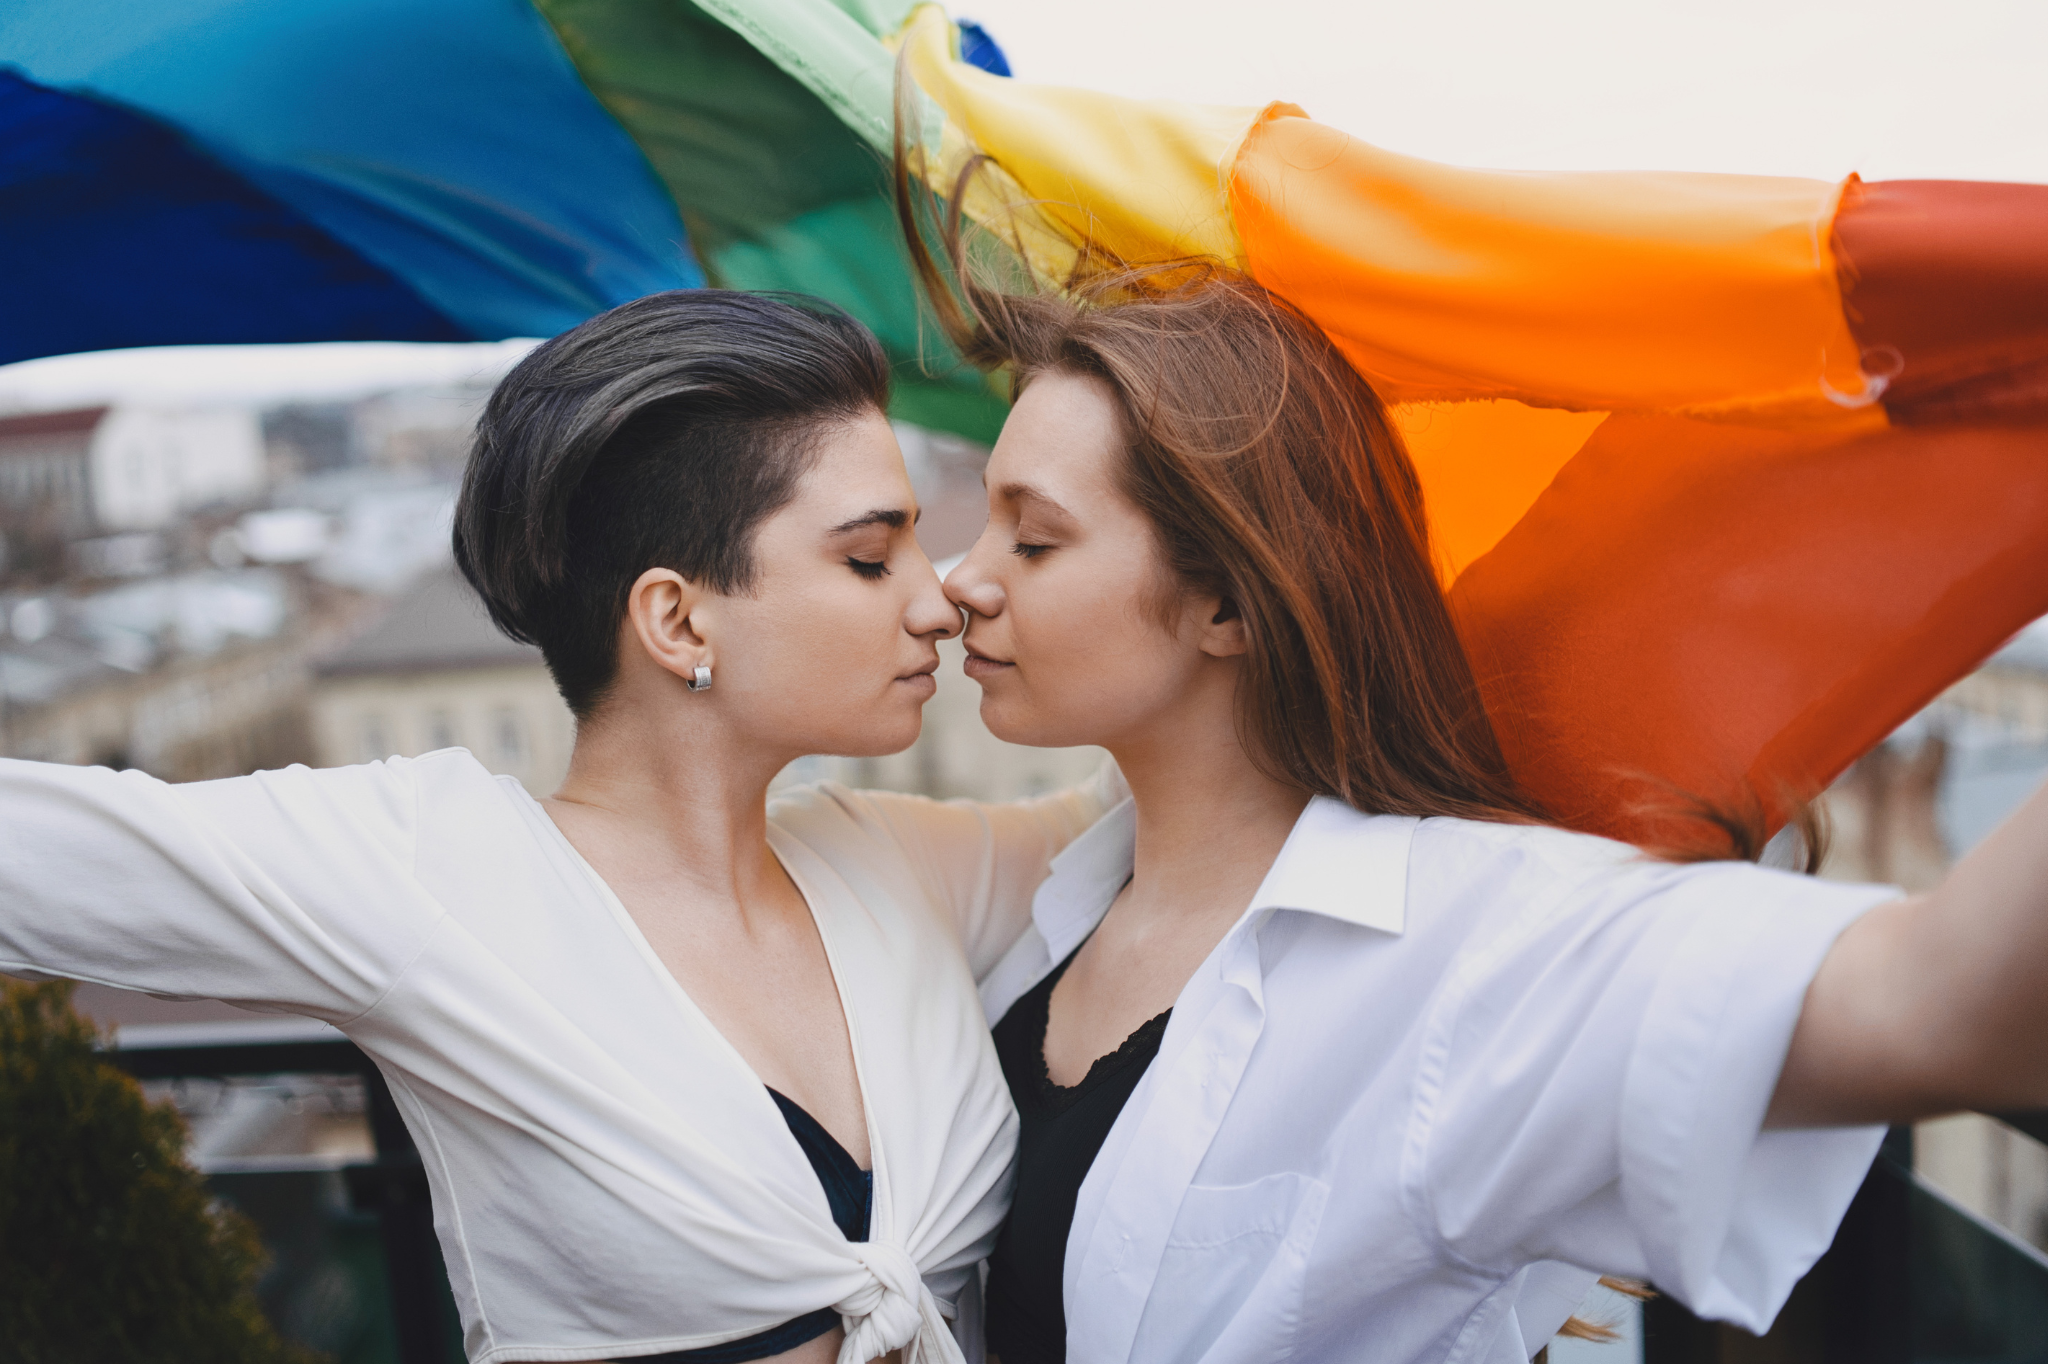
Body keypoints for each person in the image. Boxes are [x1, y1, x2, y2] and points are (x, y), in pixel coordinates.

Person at [891, 145, 2048, 1364]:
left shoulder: (1465, 948)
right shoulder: (1055, 897)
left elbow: (1941, 1006)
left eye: (1035, 540)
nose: (963, 578)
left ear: (1229, 605)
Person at [0, 291, 1120, 1364]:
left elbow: (1196, 791)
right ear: (676, 617)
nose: (936, 599)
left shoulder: (895, 861)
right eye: (872, 558)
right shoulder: (434, 874)